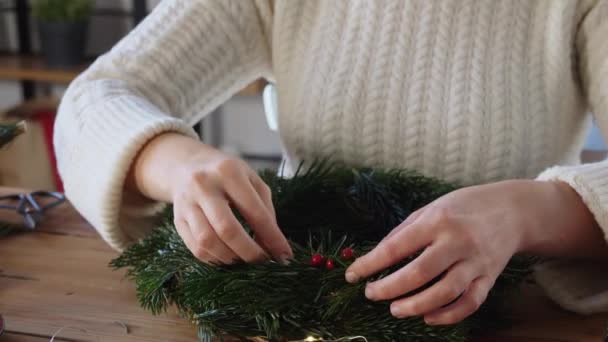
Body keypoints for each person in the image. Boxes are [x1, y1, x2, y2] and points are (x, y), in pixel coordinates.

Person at [54, 0, 608, 325]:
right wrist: (174, 162)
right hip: (301, 312)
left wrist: (526, 212)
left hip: (513, 321)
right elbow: (97, 97)